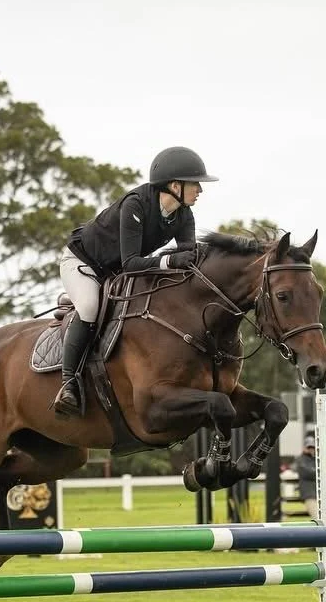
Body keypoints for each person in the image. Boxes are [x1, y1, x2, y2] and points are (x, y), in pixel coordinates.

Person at [52, 146, 218, 416]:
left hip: (117, 270)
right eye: (195, 184)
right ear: (175, 185)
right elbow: (131, 263)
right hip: (83, 264)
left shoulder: (183, 214)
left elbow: (187, 256)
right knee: (90, 308)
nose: (200, 190)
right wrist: (168, 261)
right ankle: (68, 383)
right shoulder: (136, 204)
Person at [294, 433, 318, 521]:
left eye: (313, 447)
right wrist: (319, 472)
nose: (311, 449)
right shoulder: (301, 460)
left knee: (325, 519)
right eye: (309, 447)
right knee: (318, 519)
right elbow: (308, 473)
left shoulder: (317, 458)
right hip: (309, 495)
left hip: (319, 495)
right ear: (304, 448)